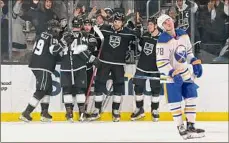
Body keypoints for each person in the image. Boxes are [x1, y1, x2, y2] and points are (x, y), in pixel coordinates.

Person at [156, 14, 205, 139]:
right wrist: (171, 72)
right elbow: (161, 63)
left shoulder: (183, 34)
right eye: (165, 22)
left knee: (192, 96)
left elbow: (188, 52)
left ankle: (191, 125)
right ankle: (180, 126)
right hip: (171, 77)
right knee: (175, 101)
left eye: (169, 20)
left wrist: (194, 61)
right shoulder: (162, 41)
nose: (168, 22)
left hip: (185, 74)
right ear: (162, 27)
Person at [88, 12, 139, 122]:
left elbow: (137, 36)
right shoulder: (105, 29)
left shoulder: (127, 33)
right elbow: (93, 34)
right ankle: (97, 110)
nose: (116, 23)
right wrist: (93, 46)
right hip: (104, 62)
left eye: (119, 21)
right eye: (115, 21)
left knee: (118, 88)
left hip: (119, 65)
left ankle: (115, 112)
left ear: (123, 23)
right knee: (99, 86)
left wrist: (137, 26)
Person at [19, 19, 65, 122]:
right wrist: (63, 43)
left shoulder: (41, 35)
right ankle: (26, 113)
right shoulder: (52, 37)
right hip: (43, 66)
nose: (57, 30)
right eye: (56, 28)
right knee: (41, 90)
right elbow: (53, 51)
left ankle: (44, 113)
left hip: (38, 64)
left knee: (47, 88)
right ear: (51, 28)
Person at [60, 17, 100, 122]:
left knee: (69, 91)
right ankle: (79, 113)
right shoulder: (82, 35)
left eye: (77, 26)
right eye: (76, 26)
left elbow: (60, 51)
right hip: (78, 67)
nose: (76, 28)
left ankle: (71, 114)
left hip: (68, 67)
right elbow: (81, 51)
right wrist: (93, 58)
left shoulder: (65, 35)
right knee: (78, 90)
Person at [131, 17, 161, 122]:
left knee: (155, 90)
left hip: (155, 69)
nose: (149, 27)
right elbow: (140, 49)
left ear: (156, 26)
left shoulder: (162, 38)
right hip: (142, 66)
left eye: (151, 25)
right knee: (138, 88)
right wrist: (138, 39)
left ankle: (155, 110)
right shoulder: (145, 36)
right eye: (148, 25)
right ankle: (139, 109)